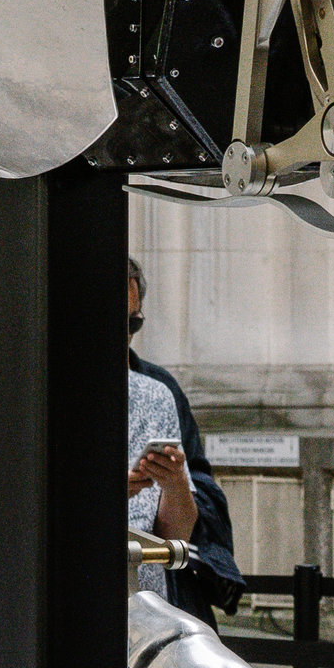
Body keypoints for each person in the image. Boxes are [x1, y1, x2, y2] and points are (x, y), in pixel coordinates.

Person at [125, 259, 240, 616]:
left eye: (132, 322)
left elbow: (176, 533)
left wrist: (174, 483)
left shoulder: (157, 392)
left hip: (150, 602)